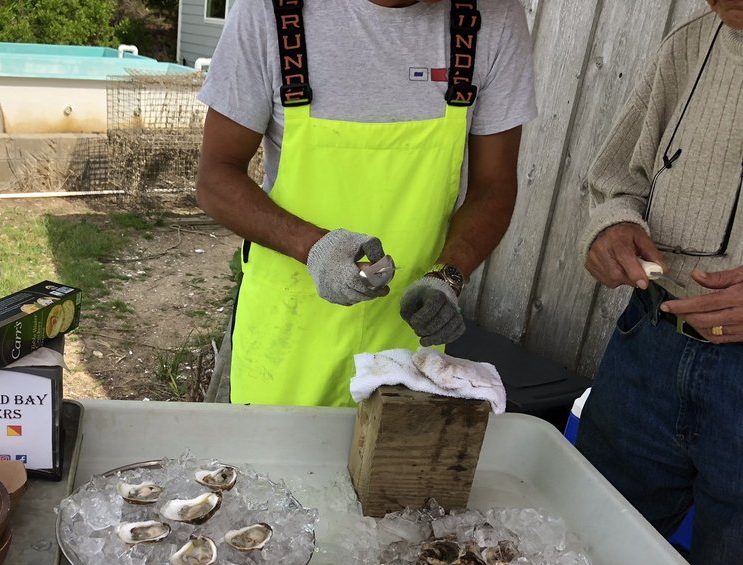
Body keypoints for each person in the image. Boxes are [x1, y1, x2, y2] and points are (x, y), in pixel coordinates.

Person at [195, 0, 536, 406]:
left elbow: (493, 187)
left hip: (405, 350)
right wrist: (314, 247)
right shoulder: (269, 12)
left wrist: (448, 276)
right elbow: (216, 176)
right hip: (285, 336)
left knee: (390, 467)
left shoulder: (491, 20)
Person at [576, 4, 742, 565]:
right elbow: (617, 175)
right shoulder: (691, 44)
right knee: (587, 561)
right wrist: (612, 221)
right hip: (648, 348)